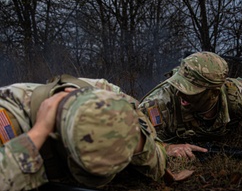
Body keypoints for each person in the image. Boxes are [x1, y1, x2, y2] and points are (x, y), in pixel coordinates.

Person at [0, 75, 167, 191]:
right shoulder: (10, 114)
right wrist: (38, 132)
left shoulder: (116, 101)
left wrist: (134, 138)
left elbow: (158, 166)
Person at [138, 51, 242, 158]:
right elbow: (129, 140)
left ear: (214, 92)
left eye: (191, 90)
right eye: (178, 85)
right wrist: (166, 148)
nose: (180, 93)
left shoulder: (240, 96)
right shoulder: (159, 103)